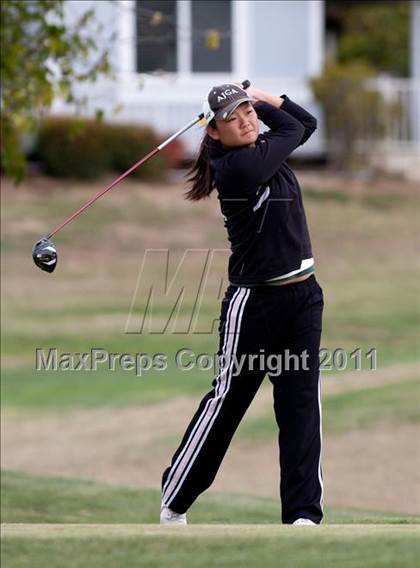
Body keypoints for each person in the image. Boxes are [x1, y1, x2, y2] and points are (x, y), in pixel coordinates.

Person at [160, 83, 324, 526]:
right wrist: (273, 106)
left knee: (301, 405)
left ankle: (303, 516)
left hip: (304, 297)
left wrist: (268, 97)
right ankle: (174, 499)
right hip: (254, 304)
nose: (247, 120)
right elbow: (298, 128)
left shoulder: (261, 147)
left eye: (249, 111)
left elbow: (303, 124)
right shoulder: (235, 169)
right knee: (228, 401)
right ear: (213, 132)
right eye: (233, 118)